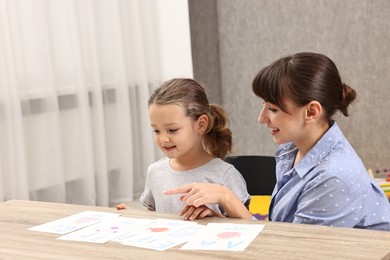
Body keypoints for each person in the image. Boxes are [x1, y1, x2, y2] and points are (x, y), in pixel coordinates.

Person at [164, 52, 390, 231]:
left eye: (272, 109)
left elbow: (293, 254)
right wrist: (227, 214)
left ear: (311, 112)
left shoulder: (333, 177)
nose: (261, 119)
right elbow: (283, 233)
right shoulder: (292, 149)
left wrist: (227, 198)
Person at [134, 78, 250, 221]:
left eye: (172, 129)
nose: (163, 139)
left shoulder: (225, 175)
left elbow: (249, 226)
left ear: (201, 125)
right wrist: (131, 216)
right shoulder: (155, 172)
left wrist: (215, 217)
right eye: (156, 131)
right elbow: (152, 216)